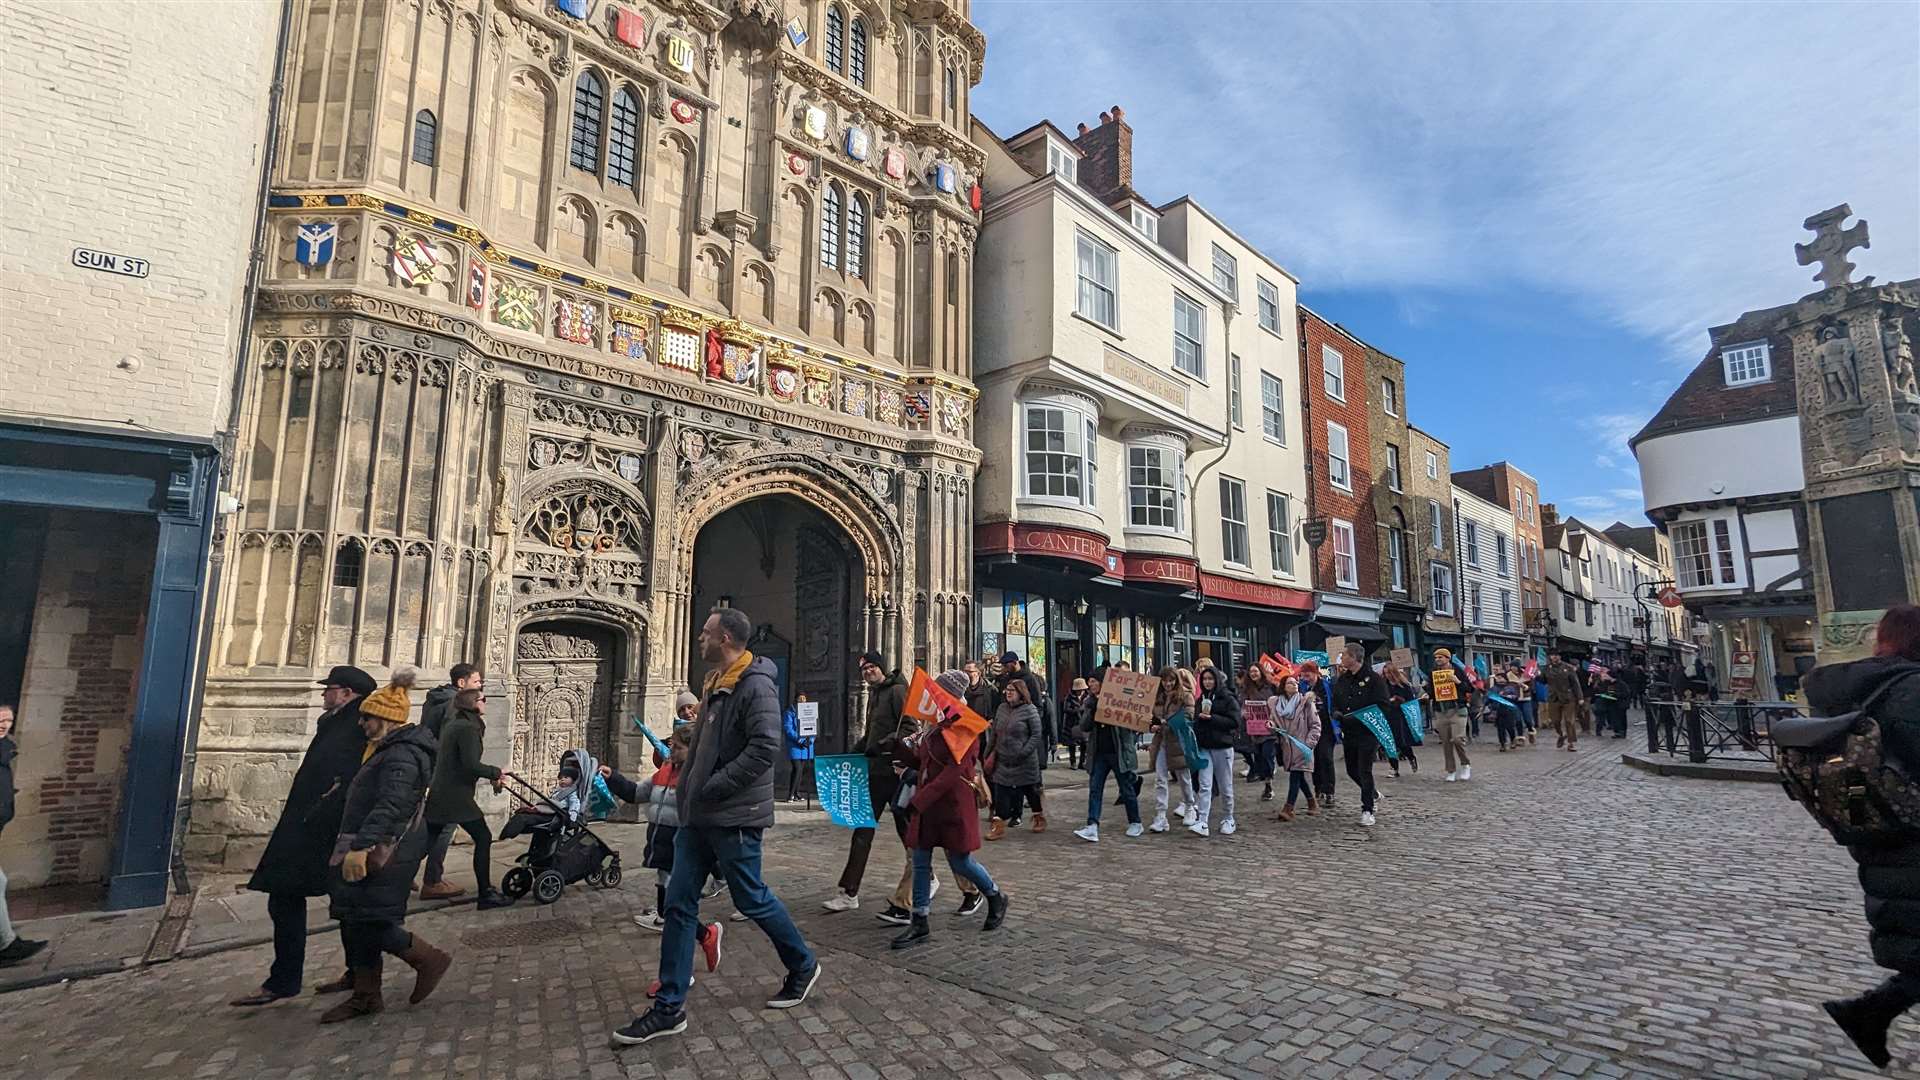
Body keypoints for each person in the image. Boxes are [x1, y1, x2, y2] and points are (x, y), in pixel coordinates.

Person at [613, 607, 820, 1046]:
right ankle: (670, 1006)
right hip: (698, 816)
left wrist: (710, 785)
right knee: (678, 904)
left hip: (733, 816)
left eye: (705, 632)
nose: (698, 638)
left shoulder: (755, 686)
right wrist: (689, 776)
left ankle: (802, 964)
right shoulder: (714, 684)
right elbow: (709, 743)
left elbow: (765, 749)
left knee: (752, 897)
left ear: (725, 637)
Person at [1803, 605, 1920, 1070]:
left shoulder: (1850, 691)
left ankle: (1868, 1013)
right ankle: (1867, 1013)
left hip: (1877, 834)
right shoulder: (1909, 691)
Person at [229, 666, 371, 1006]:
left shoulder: (358, 725)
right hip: (309, 824)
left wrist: (328, 806)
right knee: (294, 896)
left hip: (323, 827)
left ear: (348, 693)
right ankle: (292, 978)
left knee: (343, 902)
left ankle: (350, 973)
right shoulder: (334, 722)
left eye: (330, 688)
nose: (323, 694)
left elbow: (354, 779)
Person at [319, 668, 451, 1024]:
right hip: (374, 842)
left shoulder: (402, 755)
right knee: (355, 918)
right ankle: (365, 994)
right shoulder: (385, 749)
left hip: (389, 847)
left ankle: (427, 958)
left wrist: (363, 846)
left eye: (368, 717)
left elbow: (392, 804)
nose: (361, 723)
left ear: (387, 720)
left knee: (369, 920)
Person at [890, 670, 1011, 949]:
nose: (932, 696)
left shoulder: (965, 726)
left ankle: (994, 896)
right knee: (920, 861)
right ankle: (919, 921)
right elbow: (924, 760)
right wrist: (897, 749)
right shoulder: (936, 724)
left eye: (938, 692)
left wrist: (919, 800)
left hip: (951, 805)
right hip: (929, 805)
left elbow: (954, 772)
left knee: (961, 862)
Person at [603, 726, 724, 995]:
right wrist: (614, 778)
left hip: (682, 851)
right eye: (671, 746)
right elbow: (636, 793)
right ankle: (704, 938)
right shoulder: (664, 773)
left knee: (673, 916)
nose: (672, 751)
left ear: (692, 750)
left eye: (678, 747)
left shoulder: (696, 777)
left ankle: (679, 973)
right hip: (662, 850)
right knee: (672, 914)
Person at [823, 652, 908, 914]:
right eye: (864, 669)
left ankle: (924, 876)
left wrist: (885, 746)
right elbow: (872, 734)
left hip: (894, 772)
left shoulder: (897, 691)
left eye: (872, 667)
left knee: (907, 832)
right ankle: (849, 892)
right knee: (862, 830)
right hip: (874, 772)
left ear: (881, 668)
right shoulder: (875, 694)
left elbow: (909, 728)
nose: (868, 671)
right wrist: (853, 752)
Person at [420, 687, 507, 908]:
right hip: (456, 795)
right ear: (475, 704)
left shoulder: (456, 724)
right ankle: (485, 893)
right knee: (484, 837)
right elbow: (470, 764)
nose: (486, 702)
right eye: (483, 699)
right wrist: (496, 772)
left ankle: (392, 885)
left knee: (424, 844)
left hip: (444, 792)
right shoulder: (467, 728)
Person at [1072, 668, 1143, 842]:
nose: (1090, 685)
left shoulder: (1118, 700)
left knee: (1126, 788)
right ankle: (1092, 825)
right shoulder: (1090, 702)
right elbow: (1084, 726)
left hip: (1117, 752)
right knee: (1095, 789)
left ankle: (1135, 822)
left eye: (1094, 681)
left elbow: (1130, 726)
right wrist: (1093, 709)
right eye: (1090, 682)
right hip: (1099, 753)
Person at [0, 703, 46, 968]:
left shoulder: (6, 749)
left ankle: (6, 943)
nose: (4, 725)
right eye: (0, 719)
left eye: (8, 720)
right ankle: (6, 944)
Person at [1330, 644, 1391, 827]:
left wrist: (1361, 717)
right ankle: (1373, 793)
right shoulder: (1342, 679)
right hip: (1348, 732)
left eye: (1344, 655)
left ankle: (1367, 809)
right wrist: (1336, 712)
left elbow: (1383, 705)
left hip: (1367, 732)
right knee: (1351, 770)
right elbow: (1335, 701)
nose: (1341, 658)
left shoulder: (1373, 679)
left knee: (1365, 770)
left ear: (1355, 657)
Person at [986, 677, 1044, 839]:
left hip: (1024, 761)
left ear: (1021, 692)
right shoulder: (1002, 708)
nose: (1008, 693)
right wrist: (988, 753)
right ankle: (998, 825)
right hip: (1003, 759)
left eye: (1012, 691)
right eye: (1007, 690)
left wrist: (1024, 752)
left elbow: (1036, 734)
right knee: (1001, 792)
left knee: (1031, 791)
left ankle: (1038, 816)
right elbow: (995, 733)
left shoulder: (1029, 709)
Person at [1145, 667, 1198, 833]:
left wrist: (1169, 723)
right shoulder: (1157, 697)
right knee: (1160, 779)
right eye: (1165, 680)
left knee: (1184, 776)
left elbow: (1188, 716)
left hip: (1179, 742)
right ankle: (1161, 815)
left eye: (1171, 680)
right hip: (1161, 741)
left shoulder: (1185, 696)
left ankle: (1190, 806)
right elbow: (1150, 717)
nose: (1168, 684)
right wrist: (1152, 726)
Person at [1192, 666, 1240, 836]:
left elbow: (1234, 721)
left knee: (1225, 784)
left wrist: (1212, 718)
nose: (1207, 682)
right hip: (1205, 746)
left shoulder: (1227, 698)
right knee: (1205, 784)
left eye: (1210, 679)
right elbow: (1196, 720)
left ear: (1217, 680)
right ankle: (1202, 821)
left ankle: (1228, 818)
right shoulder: (1201, 699)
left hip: (1222, 746)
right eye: (1204, 679)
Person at [1269, 676, 1321, 821]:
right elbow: (1273, 721)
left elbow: (1316, 725)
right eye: (1290, 682)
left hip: (1302, 745)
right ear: (1283, 686)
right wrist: (1271, 725)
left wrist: (1309, 743)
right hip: (1287, 746)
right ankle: (1312, 802)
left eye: (1296, 682)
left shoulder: (1305, 703)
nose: (1295, 684)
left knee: (1295, 776)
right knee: (1298, 775)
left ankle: (1289, 808)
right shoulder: (1277, 704)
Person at [1300, 662, 1338, 807]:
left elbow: (1334, 704)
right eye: (1303, 675)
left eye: (1308, 675)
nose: (1305, 678)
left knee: (1326, 757)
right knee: (1314, 759)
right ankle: (1318, 788)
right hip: (1309, 729)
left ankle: (1330, 792)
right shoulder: (1302, 687)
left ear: (1315, 673)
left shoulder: (1327, 686)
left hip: (1326, 728)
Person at [1240, 665, 1279, 800]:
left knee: (1268, 753)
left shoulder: (1271, 687)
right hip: (1254, 730)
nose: (1253, 674)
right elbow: (1242, 706)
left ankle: (1269, 784)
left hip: (1269, 729)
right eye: (1250, 671)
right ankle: (1265, 779)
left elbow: (1279, 703)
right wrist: (1244, 713)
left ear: (1261, 672)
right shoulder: (1246, 689)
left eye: (1255, 671)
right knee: (1260, 757)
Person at [1384, 664, 1422, 777]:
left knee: (1401, 742)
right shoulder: (1383, 685)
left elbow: (1410, 701)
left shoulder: (1404, 686)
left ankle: (1411, 757)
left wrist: (1399, 700)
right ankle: (1394, 768)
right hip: (1387, 715)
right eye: (1385, 673)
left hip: (1400, 716)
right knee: (1389, 743)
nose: (1387, 676)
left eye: (1389, 673)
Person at [1544, 652, 1585, 752]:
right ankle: (1561, 735)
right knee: (1555, 721)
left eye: (1556, 655)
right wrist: (1535, 675)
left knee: (1569, 721)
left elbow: (1575, 683)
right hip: (1554, 698)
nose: (1554, 657)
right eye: (1552, 655)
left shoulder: (1568, 667)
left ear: (1560, 656)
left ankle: (1571, 743)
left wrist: (1580, 697)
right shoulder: (1546, 668)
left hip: (1568, 698)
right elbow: (1542, 680)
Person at [782, 693, 816, 802]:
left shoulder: (809, 711)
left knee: (801, 770)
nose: (802, 700)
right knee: (797, 768)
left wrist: (810, 740)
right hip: (795, 745)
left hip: (806, 746)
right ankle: (791, 794)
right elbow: (788, 729)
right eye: (800, 698)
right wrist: (800, 740)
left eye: (804, 698)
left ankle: (797, 793)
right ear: (795, 699)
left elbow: (813, 725)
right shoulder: (789, 713)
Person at [1061, 678, 1092, 770]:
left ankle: (1082, 762)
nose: (1080, 692)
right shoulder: (1069, 697)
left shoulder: (1087, 697)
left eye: (1082, 690)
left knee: (1084, 744)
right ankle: (1073, 762)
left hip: (1083, 722)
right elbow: (1066, 709)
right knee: (1072, 744)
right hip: (1072, 723)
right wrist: (1077, 710)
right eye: (1078, 690)